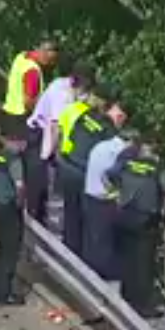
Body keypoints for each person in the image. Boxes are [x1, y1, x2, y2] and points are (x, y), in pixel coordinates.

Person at [106, 134, 165, 318]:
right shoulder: (156, 167)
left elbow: (110, 174)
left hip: (124, 215)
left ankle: (126, 296)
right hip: (145, 219)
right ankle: (143, 306)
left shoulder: (128, 162)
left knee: (128, 258)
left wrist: (120, 192)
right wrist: (162, 211)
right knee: (144, 263)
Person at [56, 83, 127, 259]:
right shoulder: (109, 130)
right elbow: (106, 158)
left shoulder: (87, 114)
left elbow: (72, 135)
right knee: (84, 218)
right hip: (82, 173)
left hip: (67, 166)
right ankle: (78, 258)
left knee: (70, 213)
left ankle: (67, 251)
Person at [24, 59, 96, 222]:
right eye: (85, 86)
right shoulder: (61, 93)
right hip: (41, 135)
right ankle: (33, 222)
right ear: (76, 81)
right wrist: (55, 155)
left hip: (49, 137)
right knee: (39, 185)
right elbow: (56, 127)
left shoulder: (71, 90)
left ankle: (40, 220)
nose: (86, 92)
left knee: (46, 186)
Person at [82, 127, 140, 280]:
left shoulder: (101, 145)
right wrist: (118, 194)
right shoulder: (121, 152)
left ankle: (89, 270)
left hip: (89, 193)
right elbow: (108, 176)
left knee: (92, 237)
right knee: (105, 240)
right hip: (104, 199)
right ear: (131, 142)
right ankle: (103, 275)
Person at [0, 137, 27, 306]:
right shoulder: (15, 161)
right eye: (22, 143)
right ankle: (4, 294)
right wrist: (19, 203)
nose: (24, 147)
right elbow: (20, 186)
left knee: (2, 251)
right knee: (10, 253)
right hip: (9, 210)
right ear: (17, 142)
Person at [1, 39, 58, 141]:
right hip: (21, 119)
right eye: (50, 60)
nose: (50, 64)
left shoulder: (21, 57)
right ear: (44, 54)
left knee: (8, 152)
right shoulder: (33, 71)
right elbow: (28, 102)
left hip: (8, 111)